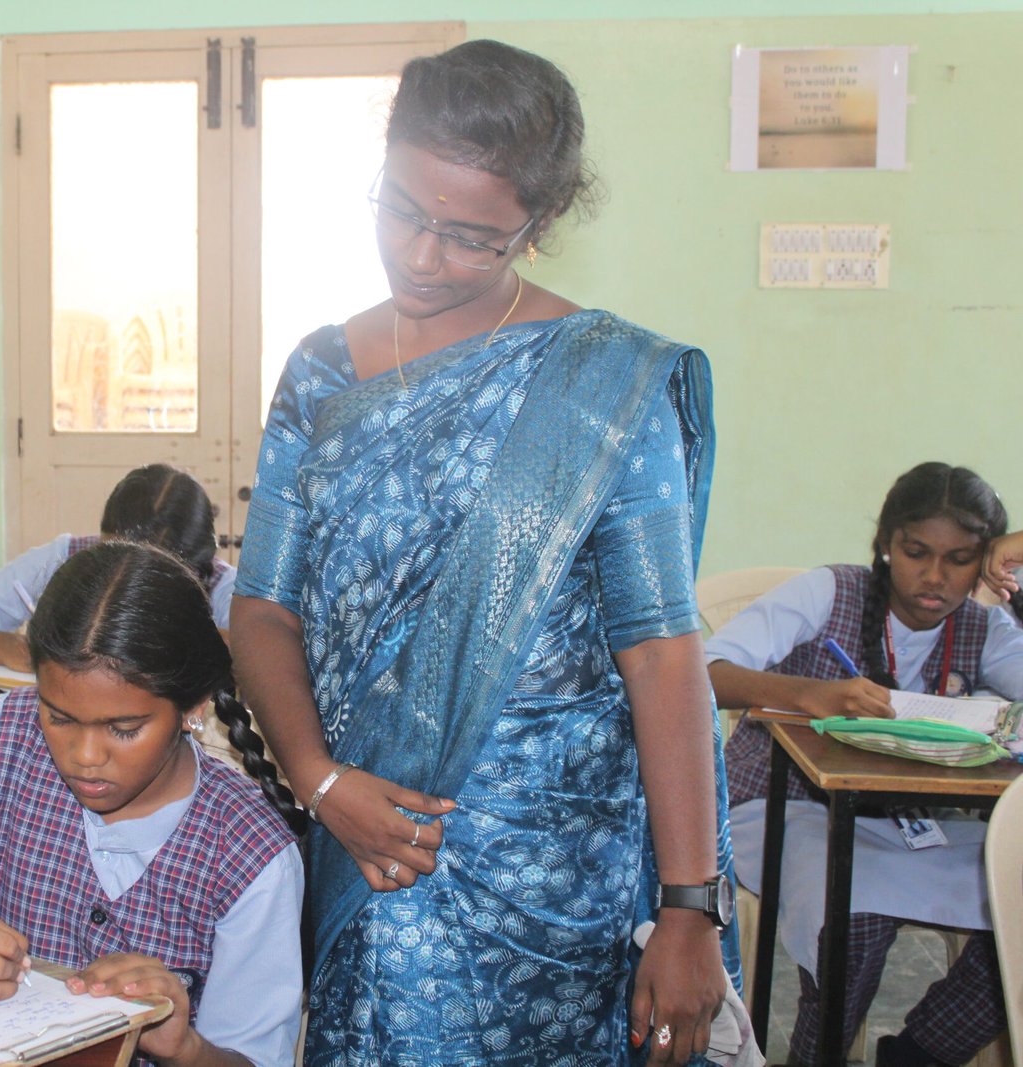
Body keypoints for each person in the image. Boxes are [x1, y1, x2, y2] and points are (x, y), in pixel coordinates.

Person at [229, 39, 739, 1066]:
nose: (421, 256)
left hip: (554, 878)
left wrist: (690, 904)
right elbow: (263, 606)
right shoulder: (321, 374)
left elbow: (660, 651)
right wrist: (319, 781)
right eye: (400, 209)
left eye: (470, 238)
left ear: (538, 227)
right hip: (367, 838)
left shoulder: (603, 385)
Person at [0, 541, 304, 1067]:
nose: (85, 756)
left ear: (192, 707)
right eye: (58, 717)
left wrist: (185, 1049)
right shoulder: (9, 735)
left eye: (124, 729)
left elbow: (254, 1059)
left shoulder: (251, 854)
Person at [710, 462, 1023, 1067]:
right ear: (885, 543)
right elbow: (705, 672)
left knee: (1016, 893)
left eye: (961, 559)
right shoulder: (830, 592)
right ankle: (816, 1058)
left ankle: (919, 1054)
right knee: (856, 916)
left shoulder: (985, 628)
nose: (934, 576)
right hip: (781, 809)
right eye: (915, 552)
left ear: (986, 564)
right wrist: (810, 694)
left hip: (903, 825)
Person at [0, 464, 235, 672]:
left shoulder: (227, 592)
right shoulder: (63, 559)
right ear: (103, 538)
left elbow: (257, 665)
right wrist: (10, 649)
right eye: (111, 558)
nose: (122, 579)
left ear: (194, 568)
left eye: (149, 578)